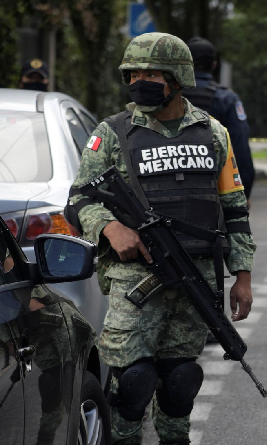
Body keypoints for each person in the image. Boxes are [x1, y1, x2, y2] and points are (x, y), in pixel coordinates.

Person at [66, 32, 255, 444]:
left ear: (177, 77)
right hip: (135, 278)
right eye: (133, 74)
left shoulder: (214, 133)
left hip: (196, 278)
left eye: (150, 74)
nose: (139, 81)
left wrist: (242, 275)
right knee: (132, 382)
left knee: (181, 380)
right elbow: (78, 199)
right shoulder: (113, 132)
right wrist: (110, 228)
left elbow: (235, 208)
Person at [183, 36, 256, 201]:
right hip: (215, 188)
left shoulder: (168, 96)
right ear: (214, 65)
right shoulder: (226, 98)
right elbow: (240, 148)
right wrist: (244, 192)